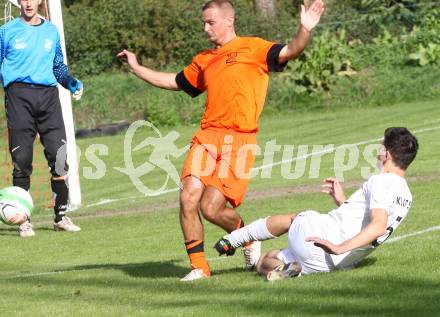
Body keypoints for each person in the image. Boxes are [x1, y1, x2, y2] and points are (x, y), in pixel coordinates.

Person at [117, 0, 325, 281]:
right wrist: (137, 68)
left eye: (210, 22)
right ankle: (199, 267)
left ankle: (246, 236)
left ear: (229, 21)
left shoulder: (254, 48)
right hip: (207, 137)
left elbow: (291, 50)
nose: (205, 28)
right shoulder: (204, 59)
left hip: (240, 141)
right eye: (203, 22)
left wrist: (304, 29)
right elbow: (175, 82)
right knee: (188, 196)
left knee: (211, 208)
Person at [214, 127, 418, 281]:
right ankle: (290, 270)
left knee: (296, 218)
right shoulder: (406, 195)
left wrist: (339, 247)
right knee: (263, 261)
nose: (377, 151)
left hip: (326, 243)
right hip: (333, 264)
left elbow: (378, 225)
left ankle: (233, 239)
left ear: (387, 155)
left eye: (381, 146)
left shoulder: (380, 181)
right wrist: (342, 201)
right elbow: (366, 220)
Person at [0, 0, 84, 237]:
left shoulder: (51, 31)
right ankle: (23, 220)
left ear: (39, 1)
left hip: (49, 98)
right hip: (19, 97)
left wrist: (69, 82)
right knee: (22, 158)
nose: (28, 3)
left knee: (59, 158)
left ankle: (61, 217)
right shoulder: (6, 32)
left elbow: (58, 68)